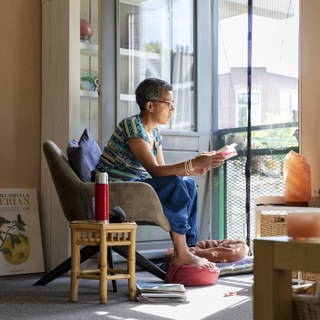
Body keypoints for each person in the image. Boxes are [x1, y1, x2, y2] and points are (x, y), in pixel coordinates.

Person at [92, 78, 226, 268]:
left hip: (134, 189)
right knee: (178, 184)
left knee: (186, 183)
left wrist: (194, 168)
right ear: (150, 105)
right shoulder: (132, 126)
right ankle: (182, 253)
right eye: (168, 104)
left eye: (173, 104)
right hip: (112, 192)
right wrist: (191, 163)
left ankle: (189, 249)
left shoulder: (155, 134)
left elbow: (163, 172)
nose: (173, 109)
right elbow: (155, 171)